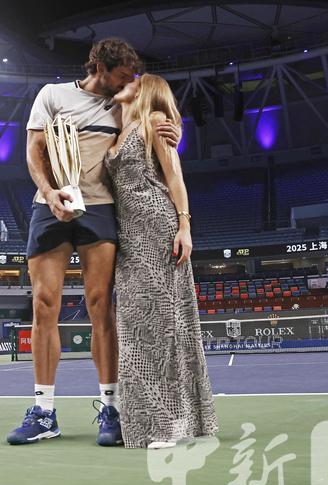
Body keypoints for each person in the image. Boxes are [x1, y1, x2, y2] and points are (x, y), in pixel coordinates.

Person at [6, 37, 180, 446]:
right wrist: (50, 194)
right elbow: (33, 150)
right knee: (43, 304)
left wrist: (175, 129)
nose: (128, 81)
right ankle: (45, 412)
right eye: (122, 74)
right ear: (99, 66)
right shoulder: (52, 95)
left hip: (101, 207)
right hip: (49, 205)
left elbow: (153, 138)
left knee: (101, 305)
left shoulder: (123, 105)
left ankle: (112, 408)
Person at [104, 73, 218, 448]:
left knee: (163, 324)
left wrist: (184, 224)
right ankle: (141, 425)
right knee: (134, 331)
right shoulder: (119, 130)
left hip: (157, 226)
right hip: (127, 238)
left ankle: (169, 425)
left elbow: (174, 175)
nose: (124, 82)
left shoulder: (154, 121)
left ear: (146, 89)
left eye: (133, 81)